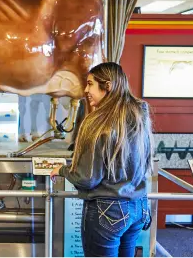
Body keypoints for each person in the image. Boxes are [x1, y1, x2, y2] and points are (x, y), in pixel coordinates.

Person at [50, 62, 153, 257]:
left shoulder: (96, 120)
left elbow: (87, 178)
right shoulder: (139, 113)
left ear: (108, 86)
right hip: (139, 205)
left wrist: (63, 170)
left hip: (107, 210)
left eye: (90, 84)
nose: (86, 90)